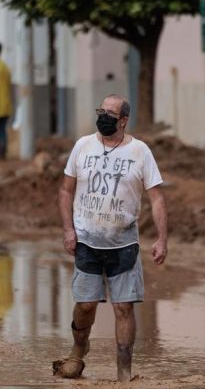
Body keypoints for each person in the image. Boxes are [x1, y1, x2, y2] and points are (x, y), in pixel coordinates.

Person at [55, 94, 168, 381]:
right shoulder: (82, 146)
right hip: (87, 243)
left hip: (124, 245)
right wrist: (69, 230)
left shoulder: (140, 151)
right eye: (101, 111)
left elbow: (156, 198)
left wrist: (162, 239)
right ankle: (79, 349)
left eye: (110, 113)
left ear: (124, 120)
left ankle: (124, 373)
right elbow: (66, 190)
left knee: (123, 307)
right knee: (85, 305)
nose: (103, 116)